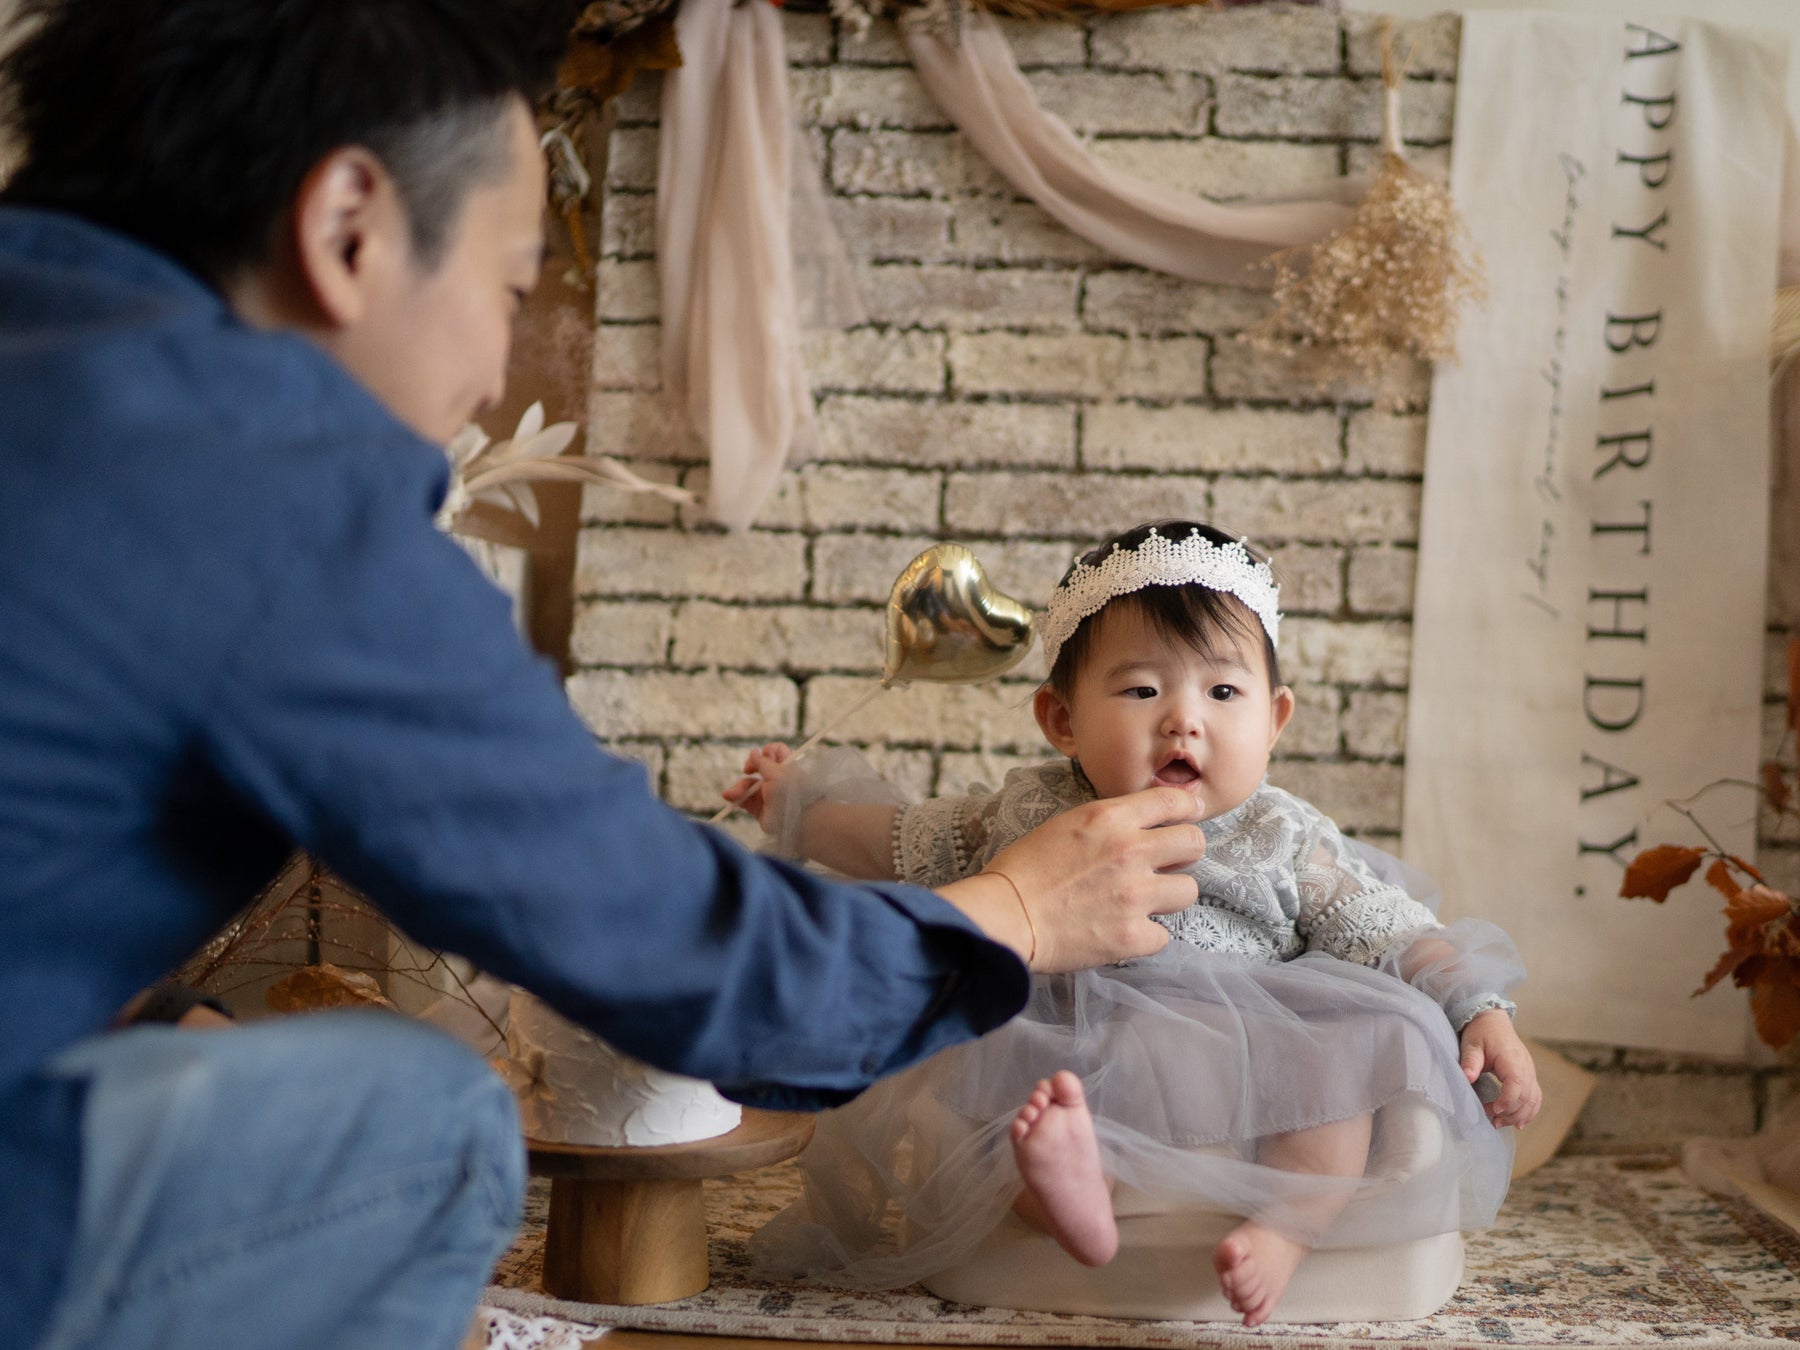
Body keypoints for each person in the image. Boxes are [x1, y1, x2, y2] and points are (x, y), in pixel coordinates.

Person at [0, 5, 1210, 1347]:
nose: (487, 375)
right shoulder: (269, 479)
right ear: (348, 225)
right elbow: (671, 953)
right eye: (510, 293)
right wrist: (1012, 915)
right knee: (431, 1115)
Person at [727, 520, 1544, 1327]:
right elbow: (900, 844)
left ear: (1275, 719)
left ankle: (1287, 1228)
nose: (1183, 720)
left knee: (1353, 1053)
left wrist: (1479, 1008)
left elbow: (1391, 928)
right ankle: (1076, 1202)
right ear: (1062, 721)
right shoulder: (1029, 812)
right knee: (1012, 1082)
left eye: (1224, 692)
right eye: (1142, 690)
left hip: (1259, 1037)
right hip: (1089, 1028)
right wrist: (796, 810)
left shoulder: (1284, 839)